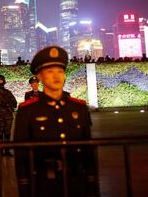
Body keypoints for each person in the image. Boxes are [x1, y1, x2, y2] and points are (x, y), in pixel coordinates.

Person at [14, 46, 99, 197]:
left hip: (75, 180)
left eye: (60, 71)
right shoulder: (27, 110)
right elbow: (21, 155)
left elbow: (88, 150)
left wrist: (91, 183)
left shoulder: (78, 107)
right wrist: (25, 187)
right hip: (43, 182)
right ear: (39, 76)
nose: (56, 76)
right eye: (50, 72)